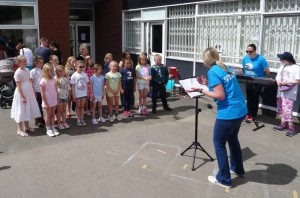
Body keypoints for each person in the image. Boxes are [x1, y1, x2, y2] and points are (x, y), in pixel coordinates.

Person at [188, 47, 247, 188]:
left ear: (205, 60)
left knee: (219, 144)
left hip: (229, 113)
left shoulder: (213, 71)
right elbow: (223, 88)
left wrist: (202, 90)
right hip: (240, 110)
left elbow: (220, 95)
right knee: (233, 140)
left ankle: (224, 179)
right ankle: (237, 169)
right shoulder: (225, 67)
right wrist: (207, 84)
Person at [11, 55, 41, 137]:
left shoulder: (27, 70)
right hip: (22, 93)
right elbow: (18, 86)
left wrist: (32, 91)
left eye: (26, 61)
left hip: (28, 92)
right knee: (21, 110)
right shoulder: (17, 73)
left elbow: (29, 81)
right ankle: (19, 129)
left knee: (27, 109)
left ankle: (27, 126)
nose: (25, 62)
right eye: (23, 61)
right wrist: (22, 96)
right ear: (19, 63)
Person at [273, 52, 300, 137]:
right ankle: (283, 124)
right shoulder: (282, 66)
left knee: (287, 109)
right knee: (281, 108)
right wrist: (278, 82)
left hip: (290, 92)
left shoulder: (296, 68)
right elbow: (277, 76)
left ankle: (291, 128)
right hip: (281, 91)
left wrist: (286, 82)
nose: (280, 60)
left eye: (282, 59)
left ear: (287, 59)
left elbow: (298, 80)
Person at [242, 44, 270, 122]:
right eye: (247, 51)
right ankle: (248, 113)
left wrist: (260, 75)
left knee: (254, 98)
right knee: (248, 97)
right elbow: (244, 68)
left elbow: (267, 71)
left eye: (250, 51)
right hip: (248, 80)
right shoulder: (245, 58)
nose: (248, 53)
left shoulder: (261, 59)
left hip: (257, 81)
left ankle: (253, 115)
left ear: (255, 51)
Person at [40, 63, 59, 137]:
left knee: (52, 115)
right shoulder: (43, 81)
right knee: (48, 115)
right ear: (46, 71)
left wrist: (57, 98)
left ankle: (53, 127)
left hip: (53, 100)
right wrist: (46, 103)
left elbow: (56, 90)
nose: (52, 72)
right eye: (51, 70)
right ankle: (48, 129)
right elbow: (43, 94)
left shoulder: (54, 80)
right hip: (47, 101)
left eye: (52, 70)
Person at [70, 60, 89, 126]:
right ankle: (78, 119)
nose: (81, 68)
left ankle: (82, 119)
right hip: (77, 94)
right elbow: (72, 86)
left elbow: (87, 84)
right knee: (78, 107)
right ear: (76, 67)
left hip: (83, 93)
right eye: (80, 67)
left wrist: (87, 93)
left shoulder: (85, 75)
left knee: (82, 106)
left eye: (83, 67)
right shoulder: (74, 75)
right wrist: (73, 95)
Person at [30, 55, 45, 127]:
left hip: (42, 91)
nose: (42, 64)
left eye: (42, 63)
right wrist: (33, 91)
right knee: (38, 106)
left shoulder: (42, 71)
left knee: (42, 106)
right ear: (36, 63)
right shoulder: (33, 71)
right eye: (40, 63)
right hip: (37, 91)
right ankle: (38, 120)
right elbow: (31, 82)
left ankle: (42, 119)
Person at [55, 65, 70, 130]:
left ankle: (64, 122)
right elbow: (55, 89)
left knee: (64, 110)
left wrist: (68, 94)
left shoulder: (66, 78)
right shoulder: (56, 79)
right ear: (57, 72)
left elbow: (68, 88)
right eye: (60, 71)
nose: (61, 72)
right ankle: (58, 123)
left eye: (62, 71)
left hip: (65, 96)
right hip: (59, 97)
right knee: (59, 111)